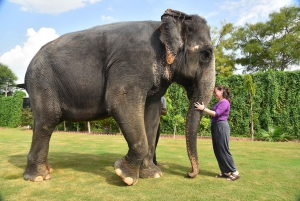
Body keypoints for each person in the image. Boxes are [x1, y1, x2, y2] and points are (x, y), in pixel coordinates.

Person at [194, 85, 240, 181]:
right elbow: (211, 112)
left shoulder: (225, 102)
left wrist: (203, 108)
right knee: (217, 149)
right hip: (215, 126)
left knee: (223, 149)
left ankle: (235, 171)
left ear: (222, 91)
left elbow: (216, 114)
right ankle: (225, 171)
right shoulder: (218, 102)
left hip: (221, 126)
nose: (214, 93)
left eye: (216, 92)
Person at [153, 96, 167, 166]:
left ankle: (153, 162)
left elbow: (165, 112)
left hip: (156, 123)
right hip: (146, 122)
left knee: (154, 142)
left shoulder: (163, 99)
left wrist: (159, 108)